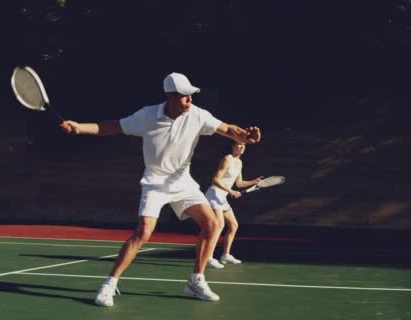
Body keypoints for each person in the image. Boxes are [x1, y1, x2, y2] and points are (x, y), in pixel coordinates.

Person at [59, 72, 261, 306]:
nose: (190, 100)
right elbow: (111, 126)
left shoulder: (197, 115)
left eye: (191, 96)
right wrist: (79, 128)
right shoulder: (147, 116)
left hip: (182, 181)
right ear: (170, 96)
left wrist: (246, 137)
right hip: (155, 183)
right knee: (143, 232)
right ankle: (109, 284)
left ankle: (195, 280)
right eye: (185, 96)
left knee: (212, 224)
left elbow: (227, 128)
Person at [204, 141, 262, 269]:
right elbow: (215, 179)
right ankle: (208, 258)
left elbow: (239, 183)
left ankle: (225, 255)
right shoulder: (227, 159)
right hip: (214, 194)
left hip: (222, 197)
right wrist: (230, 191)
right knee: (219, 226)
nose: (241, 147)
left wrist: (254, 182)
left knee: (234, 225)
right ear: (232, 146)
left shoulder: (239, 162)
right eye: (239, 144)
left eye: (244, 145)